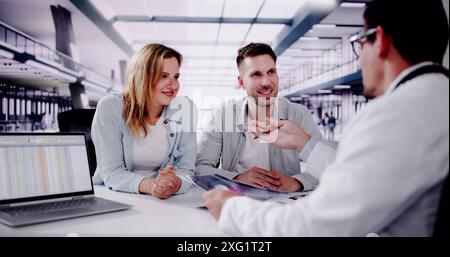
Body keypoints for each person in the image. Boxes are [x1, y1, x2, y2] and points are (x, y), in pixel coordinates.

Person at [202, 0, 449, 236]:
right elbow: (360, 182)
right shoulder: (435, 99)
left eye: (359, 43)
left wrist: (231, 209)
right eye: (256, 74)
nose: (360, 59)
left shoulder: (395, 114)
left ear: (380, 40)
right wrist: (307, 145)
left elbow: (312, 228)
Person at [196, 43, 326, 193]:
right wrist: (236, 178)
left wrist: (298, 182)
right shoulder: (222, 115)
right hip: (237, 199)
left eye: (271, 72)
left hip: (285, 204)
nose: (266, 83)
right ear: (241, 82)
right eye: (256, 74)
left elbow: (325, 166)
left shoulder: (298, 114)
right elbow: (201, 168)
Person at [91, 44, 197, 199]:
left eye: (176, 76)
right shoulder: (110, 107)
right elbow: (112, 172)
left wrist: (176, 183)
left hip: (167, 200)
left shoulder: (185, 109)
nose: (173, 85)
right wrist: (152, 186)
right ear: (142, 77)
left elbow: (186, 169)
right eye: (163, 76)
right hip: (116, 196)